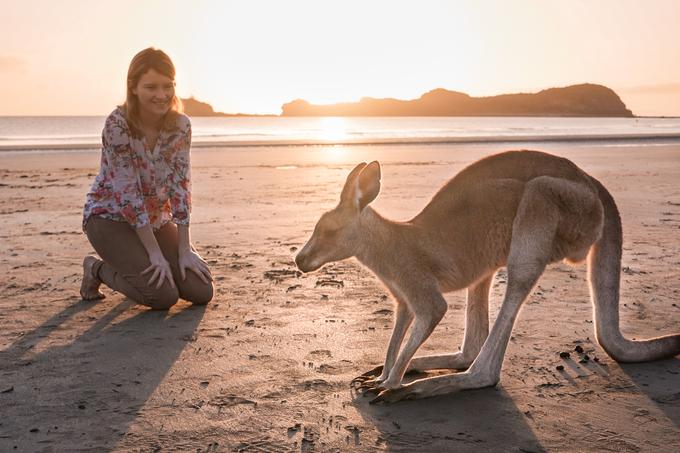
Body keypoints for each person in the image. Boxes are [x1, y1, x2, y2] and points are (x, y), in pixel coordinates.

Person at [80, 48, 213, 309]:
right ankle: (96, 269)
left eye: (167, 86)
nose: (161, 95)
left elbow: (181, 186)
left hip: (156, 220)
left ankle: (144, 266)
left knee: (201, 290)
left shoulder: (181, 126)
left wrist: (185, 249)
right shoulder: (117, 124)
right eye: (151, 87)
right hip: (109, 218)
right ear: (133, 87)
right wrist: (154, 254)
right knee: (162, 296)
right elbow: (127, 194)